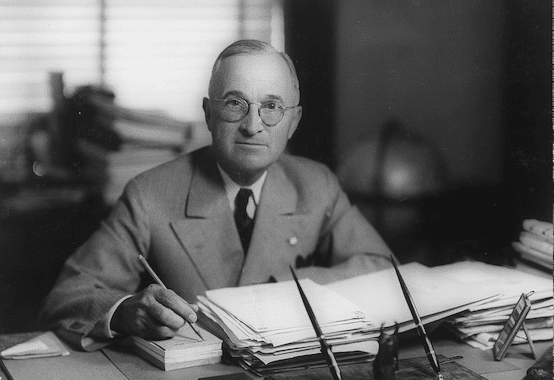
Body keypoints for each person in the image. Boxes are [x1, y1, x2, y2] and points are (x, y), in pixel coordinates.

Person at [39, 39, 393, 351]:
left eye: (271, 107)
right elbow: (69, 296)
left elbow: (382, 269)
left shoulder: (317, 184)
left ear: (294, 121)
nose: (252, 126)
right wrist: (125, 311)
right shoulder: (149, 195)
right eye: (235, 104)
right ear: (208, 114)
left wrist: (289, 292)